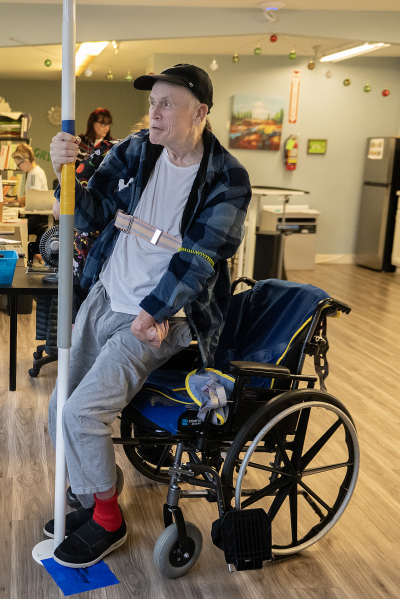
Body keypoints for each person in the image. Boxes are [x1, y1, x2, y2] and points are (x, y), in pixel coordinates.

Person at [45, 64, 251, 568]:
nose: (153, 113)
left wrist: (153, 309)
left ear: (200, 113)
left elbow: (202, 258)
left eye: (167, 104)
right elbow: (89, 211)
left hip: (162, 318)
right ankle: (98, 491)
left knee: (83, 412)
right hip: (105, 296)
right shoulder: (138, 149)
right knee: (57, 408)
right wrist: (63, 173)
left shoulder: (227, 179)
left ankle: (108, 520)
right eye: (152, 101)